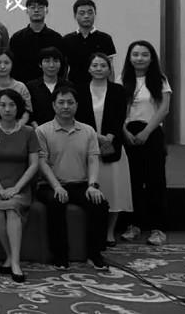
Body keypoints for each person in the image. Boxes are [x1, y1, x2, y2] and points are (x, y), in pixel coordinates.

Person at [36, 85, 109, 271]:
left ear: (77, 105)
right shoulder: (42, 131)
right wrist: (56, 186)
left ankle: (95, 254)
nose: (66, 106)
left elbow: (93, 159)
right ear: (53, 105)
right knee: (56, 203)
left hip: (80, 184)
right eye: (61, 102)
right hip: (50, 184)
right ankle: (60, 256)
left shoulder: (88, 131)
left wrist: (93, 185)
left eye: (70, 102)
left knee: (100, 204)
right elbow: (42, 163)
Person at [0, 89, 40, 283]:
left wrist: (16, 188)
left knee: (12, 209)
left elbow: (34, 165)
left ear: (18, 108)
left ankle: (14, 263)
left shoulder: (28, 132)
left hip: (20, 187)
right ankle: (11, 257)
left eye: (12, 105)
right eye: (3, 105)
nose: (7, 109)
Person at [76, 53, 131, 247]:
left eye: (103, 65)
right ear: (89, 68)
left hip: (112, 146)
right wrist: (95, 136)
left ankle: (109, 232)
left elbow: (120, 116)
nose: (99, 69)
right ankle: (94, 230)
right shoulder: (80, 90)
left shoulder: (118, 90)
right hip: (87, 143)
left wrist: (110, 136)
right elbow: (78, 117)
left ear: (109, 69)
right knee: (92, 188)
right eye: (95, 65)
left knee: (114, 190)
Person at [119, 40, 172, 246]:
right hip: (128, 134)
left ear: (151, 58)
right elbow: (117, 110)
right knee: (132, 181)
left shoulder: (160, 79)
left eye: (144, 54)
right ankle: (133, 225)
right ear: (129, 58)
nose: (139, 58)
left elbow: (164, 109)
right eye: (135, 54)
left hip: (152, 133)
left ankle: (158, 228)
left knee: (155, 181)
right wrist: (124, 131)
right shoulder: (122, 79)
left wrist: (147, 132)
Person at [9, 0, 65, 84]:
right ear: (27, 11)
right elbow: (12, 65)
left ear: (47, 10)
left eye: (40, 7)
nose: (36, 10)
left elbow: (62, 66)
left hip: (50, 86)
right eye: (32, 7)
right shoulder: (17, 38)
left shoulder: (56, 38)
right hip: (23, 86)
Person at [62, 0, 116, 85]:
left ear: (95, 14)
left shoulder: (105, 38)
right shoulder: (67, 40)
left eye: (90, 13)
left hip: (100, 87)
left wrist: (111, 88)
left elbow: (110, 68)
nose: (86, 16)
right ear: (75, 15)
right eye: (82, 13)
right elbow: (64, 68)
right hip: (73, 87)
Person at [0, 48, 32, 126]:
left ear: (12, 65)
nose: (2, 66)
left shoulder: (21, 87)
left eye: (6, 63)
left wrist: (17, 127)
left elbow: (27, 111)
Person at [26, 47, 72, 127]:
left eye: (56, 61)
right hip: (38, 130)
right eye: (47, 61)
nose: (51, 65)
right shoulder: (31, 87)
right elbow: (29, 112)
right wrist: (37, 128)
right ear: (40, 64)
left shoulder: (68, 86)